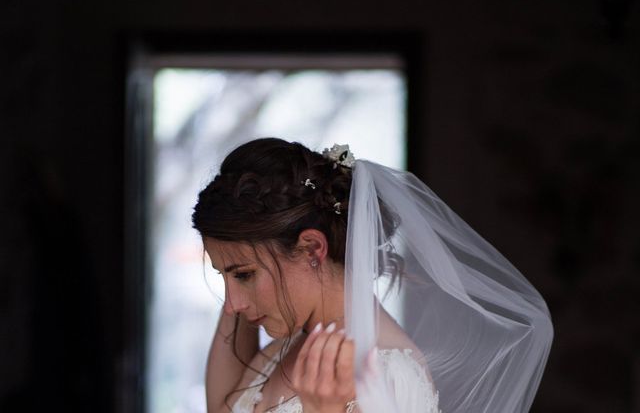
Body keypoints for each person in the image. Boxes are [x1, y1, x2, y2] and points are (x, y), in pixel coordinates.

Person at [192, 138, 553, 413]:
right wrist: (236, 254)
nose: (232, 304)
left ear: (313, 249)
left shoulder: (385, 373)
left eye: (243, 275)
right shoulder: (288, 348)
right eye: (223, 276)